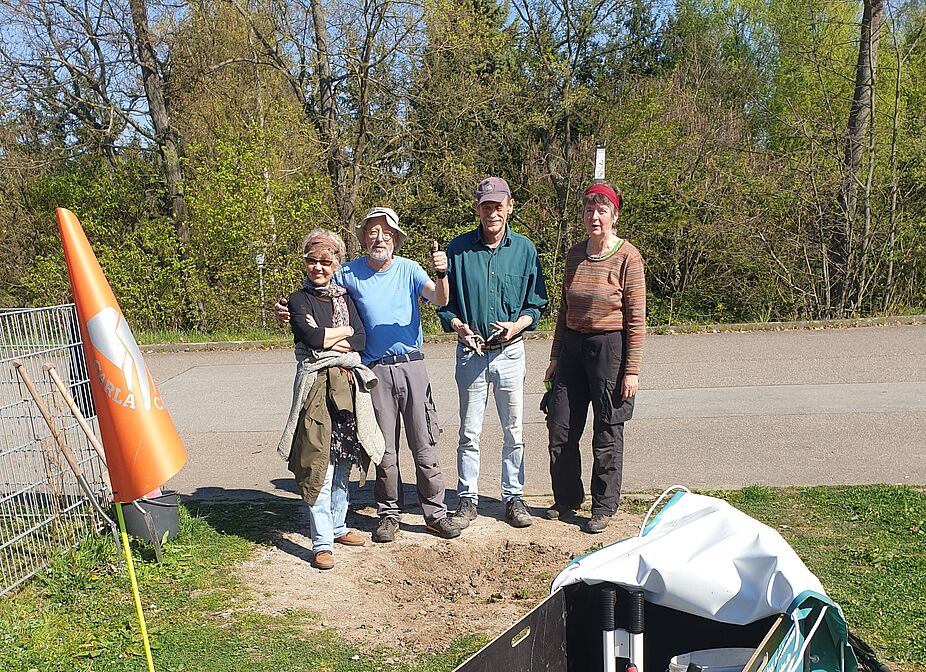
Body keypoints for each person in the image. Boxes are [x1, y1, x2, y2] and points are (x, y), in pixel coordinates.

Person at [277, 207, 461, 543]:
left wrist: (442, 273)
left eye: (387, 233)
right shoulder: (349, 272)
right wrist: (286, 309)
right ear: (364, 238)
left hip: (412, 364)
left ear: (396, 238)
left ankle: (436, 514)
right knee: (384, 450)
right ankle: (389, 514)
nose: (380, 238)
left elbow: (439, 298)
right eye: (373, 232)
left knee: (425, 446)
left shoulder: (409, 269)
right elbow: (318, 283)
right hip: (372, 371)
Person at [437, 177, 548, 529]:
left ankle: (513, 497)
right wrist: (457, 325)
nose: (492, 212)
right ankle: (467, 498)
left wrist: (517, 326)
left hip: (510, 352)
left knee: (513, 429)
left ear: (510, 206)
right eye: (486, 206)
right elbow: (444, 305)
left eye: (498, 205)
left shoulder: (525, 250)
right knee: (469, 432)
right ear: (478, 209)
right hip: (471, 353)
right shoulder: (457, 250)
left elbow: (536, 304)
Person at [277, 229, 385, 570]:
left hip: (347, 389)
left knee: (342, 462)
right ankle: (321, 542)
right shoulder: (299, 300)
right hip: (315, 391)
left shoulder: (345, 298)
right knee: (318, 464)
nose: (318, 268)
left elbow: (363, 339)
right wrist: (342, 335)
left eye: (326, 261)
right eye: (312, 260)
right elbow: (310, 337)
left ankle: (338, 527)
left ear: (337, 263)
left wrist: (333, 339)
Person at [543, 183, 646, 534]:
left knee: (606, 432)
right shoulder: (574, 254)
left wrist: (630, 371)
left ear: (614, 216)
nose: (594, 217)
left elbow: (636, 319)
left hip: (609, 349)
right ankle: (568, 498)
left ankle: (603, 506)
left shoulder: (628, 257)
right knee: (560, 427)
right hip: (572, 347)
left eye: (602, 210)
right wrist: (556, 355)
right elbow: (563, 309)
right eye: (589, 210)